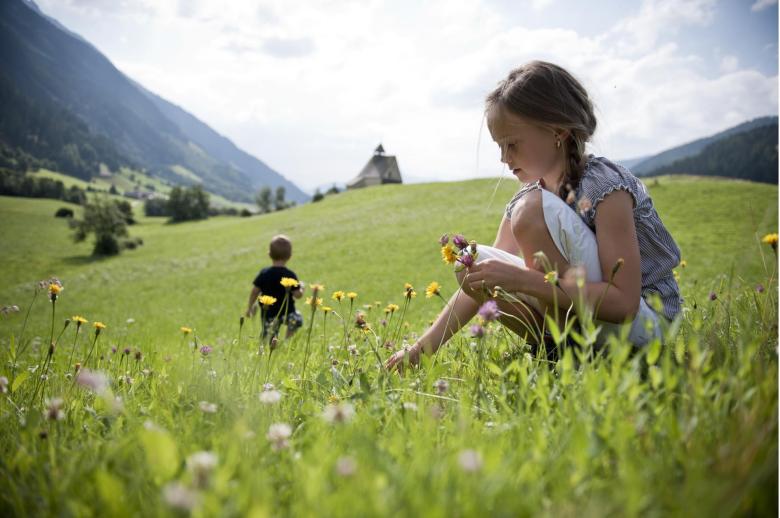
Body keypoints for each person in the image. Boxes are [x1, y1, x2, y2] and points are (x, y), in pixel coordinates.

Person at [386, 60, 683, 372]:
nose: (503, 158)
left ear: (557, 130)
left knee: (528, 213)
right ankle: (560, 350)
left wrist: (529, 281)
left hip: (646, 327)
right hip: (587, 324)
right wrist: (421, 349)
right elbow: (485, 281)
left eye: (511, 144)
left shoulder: (605, 187)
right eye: (499, 146)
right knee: (471, 264)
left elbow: (623, 304)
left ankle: (569, 352)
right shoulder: (527, 199)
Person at [246, 234, 305, 340]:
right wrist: (302, 288)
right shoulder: (290, 275)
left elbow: (254, 291)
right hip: (287, 312)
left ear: (269, 254)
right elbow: (298, 295)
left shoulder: (264, 273)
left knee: (268, 335)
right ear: (290, 256)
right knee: (297, 319)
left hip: (268, 313)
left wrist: (250, 308)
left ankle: (268, 348)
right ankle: (287, 340)